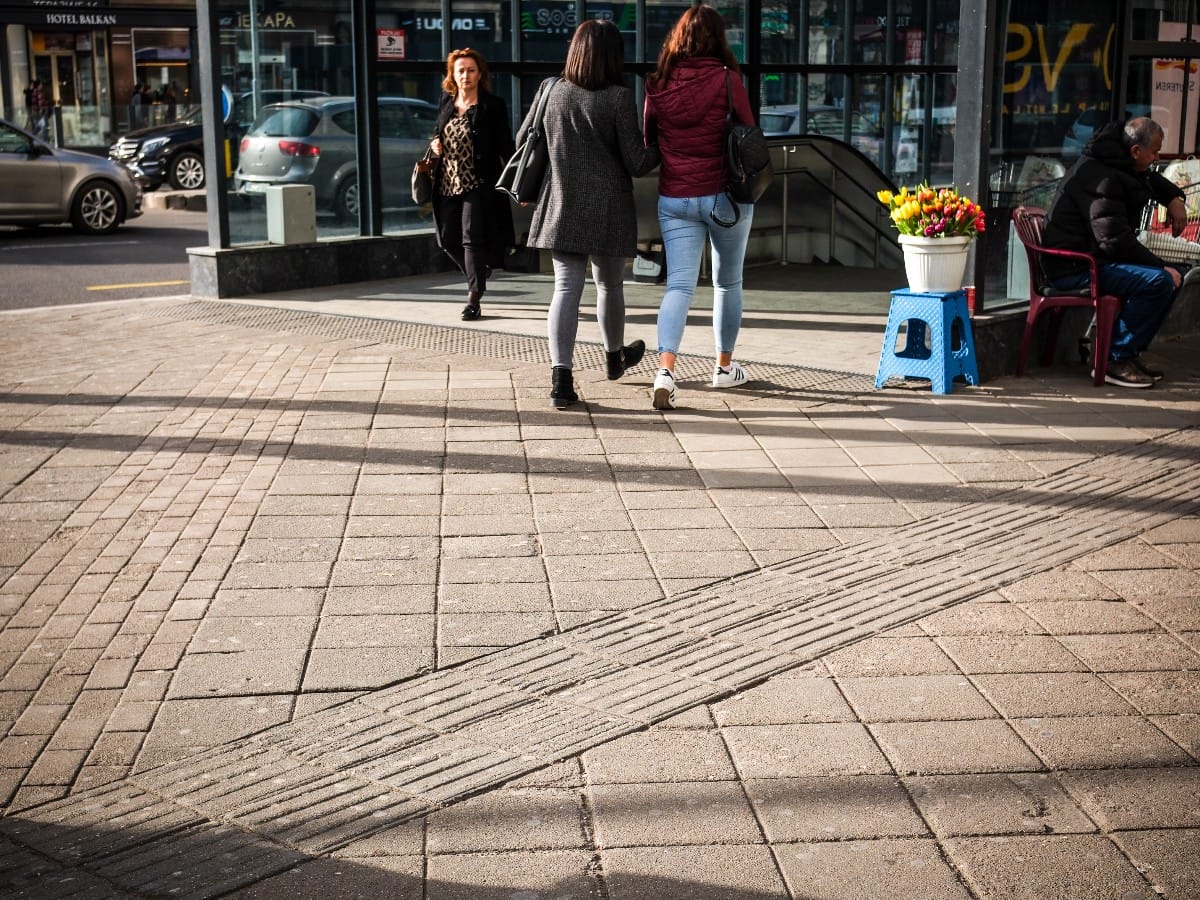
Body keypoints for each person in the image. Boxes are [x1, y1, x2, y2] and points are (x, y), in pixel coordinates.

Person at [520, 20, 660, 409]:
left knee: (565, 288)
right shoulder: (618, 97)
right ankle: (614, 358)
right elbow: (637, 161)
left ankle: (561, 380)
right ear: (611, 55)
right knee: (610, 285)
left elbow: (523, 142)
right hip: (609, 207)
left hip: (561, 202)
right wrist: (661, 139)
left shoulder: (552, 90)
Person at [644, 5, 756, 410]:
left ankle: (665, 371)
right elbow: (748, 131)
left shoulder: (657, 84)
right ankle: (724, 368)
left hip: (675, 197)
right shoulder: (728, 81)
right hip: (725, 196)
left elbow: (648, 138)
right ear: (718, 39)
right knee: (728, 283)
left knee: (679, 285)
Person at [1043, 117, 1188, 388]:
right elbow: (1113, 240)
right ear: (1135, 151)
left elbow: (1148, 178)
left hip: (1096, 259)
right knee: (1160, 280)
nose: (1157, 158)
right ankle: (1114, 357)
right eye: (1155, 152)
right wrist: (1158, 265)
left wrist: (1173, 198)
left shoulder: (1117, 160)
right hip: (1075, 268)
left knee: (1177, 274)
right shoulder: (1102, 178)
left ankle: (1127, 352)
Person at [430, 48, 515, 322]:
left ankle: (473, 298)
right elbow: (437, 133)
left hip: (478, 184)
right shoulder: (446, 101)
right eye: (460, 70)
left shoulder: (492, 106)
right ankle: (478, 271)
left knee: (470, 238)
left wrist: (517, 183)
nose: (465, 75)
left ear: (480, 74)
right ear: (452, 75)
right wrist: (434, 144)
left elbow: (506, 146)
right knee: (446, 239)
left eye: (471, 70)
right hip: (446, 182)